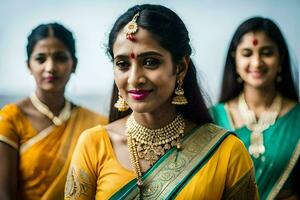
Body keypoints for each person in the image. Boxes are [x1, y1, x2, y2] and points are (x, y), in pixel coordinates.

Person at [65, 4, 258, 199]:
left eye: (150, 62)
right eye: (122, 64)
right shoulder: (93, 145)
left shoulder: (227, 151)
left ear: (180, 67)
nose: (134, 79)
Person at [0, 23, 107, 199]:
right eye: (41, 59)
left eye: (60, 58)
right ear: (29, 65)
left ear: (74, 64)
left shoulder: (97, 124)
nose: (50, 67)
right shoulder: (11, 118)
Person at [210, 17, 300, 199]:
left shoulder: (296, 117)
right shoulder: (212, 117)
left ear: (280, 58)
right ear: (234, 58)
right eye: (247, 53)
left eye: (266, 53)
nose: (257, 62)